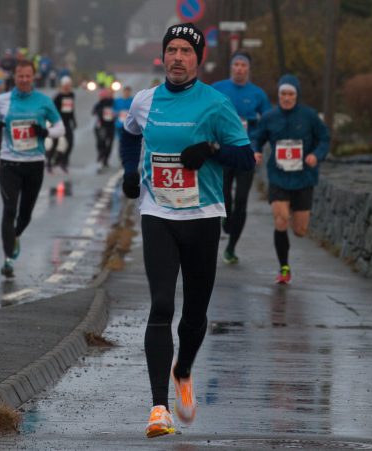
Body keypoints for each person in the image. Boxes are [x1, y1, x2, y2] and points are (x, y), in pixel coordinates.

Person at [119, 22, 256, 438]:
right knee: (162, 305)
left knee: (194, 314)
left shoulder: (215, 104)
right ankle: (159, 408)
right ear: (163, 57)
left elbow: (246, 158)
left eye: (186, 51)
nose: (178, 57)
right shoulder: (144, 101)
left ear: (198, 59)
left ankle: (184, 369)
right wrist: (129, 171)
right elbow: (128, 134)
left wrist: (213, 149)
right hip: (158, 214)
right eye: (172, 50)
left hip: (202, 217)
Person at [0, 60, 64, 278]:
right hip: (9, 163)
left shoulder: (44, 101)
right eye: (20, 76)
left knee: (25, 214)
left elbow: (60, 127)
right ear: (15, 77)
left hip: (34, 163)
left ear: (34, 77)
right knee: (9, 209)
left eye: (28, 76)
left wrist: (45, 132)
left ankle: (15, 235)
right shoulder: (3, 100)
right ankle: (8, 258)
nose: (24, 79)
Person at [251, 74, 329, 284]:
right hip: (278, 176)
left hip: (304, 177)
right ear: (278, 96)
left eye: (290, 94)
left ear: (297, 95)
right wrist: (255, 151)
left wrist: (316, 155)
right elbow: (256, 138)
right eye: (283, 94)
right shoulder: (269, 117)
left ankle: (296, 216)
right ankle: (284, 268)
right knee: (281, 220)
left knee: (300, 230)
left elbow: (324, 138)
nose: (286, 98)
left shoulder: (309, 116)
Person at [212, 50, 271, 264]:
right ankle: (225, 219)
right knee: (225, 197)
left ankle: (231, 247)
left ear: (248, 69)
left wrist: (259, 146)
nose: (239, 68)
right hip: (225, 151)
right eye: (236, 64)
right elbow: (204, 114)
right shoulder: (218, 89)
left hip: (247, 154)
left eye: (243, 65)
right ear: (231, 67)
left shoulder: (258, 94)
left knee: (242, 201)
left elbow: (267, 124)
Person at [47, 75, 76, 173]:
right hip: (58, 123)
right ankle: (49, 164)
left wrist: (74, 120)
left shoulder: (71, 95)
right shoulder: (58, 97)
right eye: (66, 85)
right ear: (62, 86)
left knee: (70, 143)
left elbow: (71, 109)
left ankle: (63, 162)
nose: (67, 87)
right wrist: (52, 122)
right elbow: (52, 111)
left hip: (67, 123)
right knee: (55, 144)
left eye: (69, 85)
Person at [92, 88, 115, 171]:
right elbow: (93, 112)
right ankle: (101, 157)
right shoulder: (100, 104)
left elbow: (118, 111)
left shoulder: (113, 103)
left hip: (111, 126)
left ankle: (105, 159)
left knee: (109, 144)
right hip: (101, 126)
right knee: (101, 142)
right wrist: (100, 111)